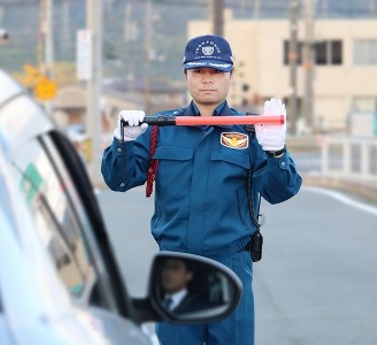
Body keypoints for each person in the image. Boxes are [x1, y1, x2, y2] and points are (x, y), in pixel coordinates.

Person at [101, 34, 302, 345]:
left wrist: (275, 150)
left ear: (230, 76)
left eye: (216, 72)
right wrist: (122, 142)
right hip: (176, 268)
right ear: (186, 76)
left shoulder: (250, 130)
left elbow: (282, 191)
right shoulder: (161, 128)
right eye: (198, 72)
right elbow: (119, 180)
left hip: (231, 265)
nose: (207, 80)